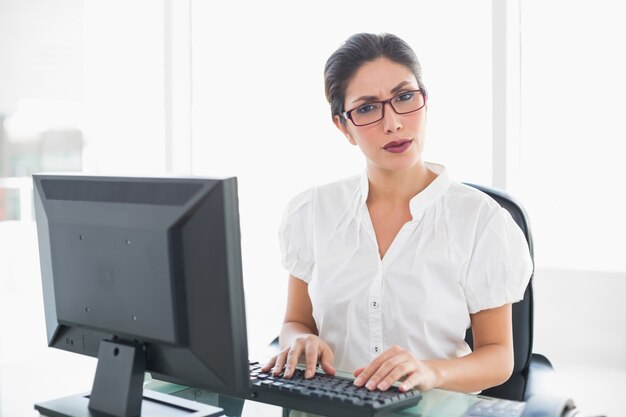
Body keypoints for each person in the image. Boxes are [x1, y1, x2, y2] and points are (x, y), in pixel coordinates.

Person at [262, 32, 532, 394]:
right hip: (333, 405)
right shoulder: (312, 212)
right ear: (344, 127)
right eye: (368, 108)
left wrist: (432, 372)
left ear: (425, 101)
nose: (393, 123)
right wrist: (299, 341)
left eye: (405, 97)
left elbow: (499, 357)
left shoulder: (482, 221)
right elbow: (296, 321)